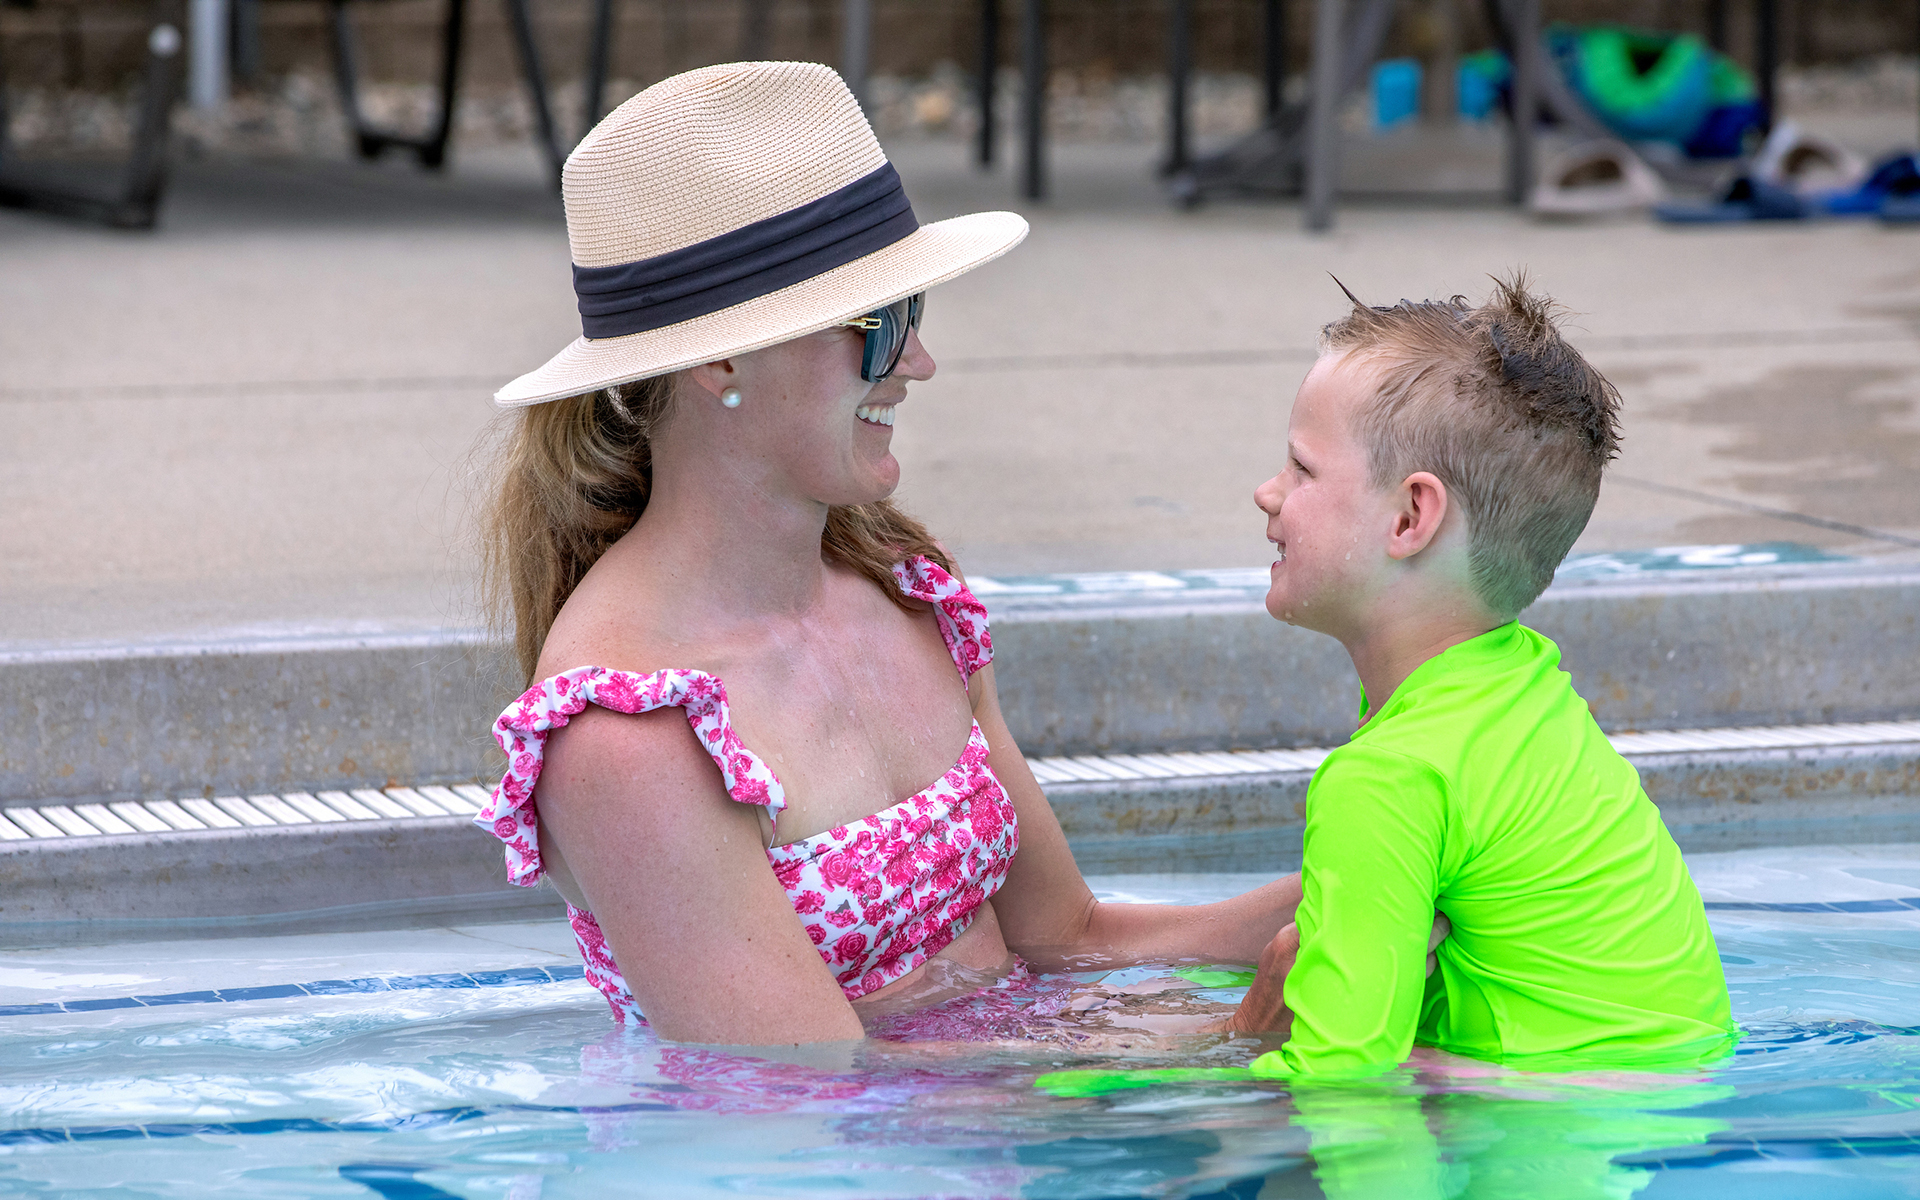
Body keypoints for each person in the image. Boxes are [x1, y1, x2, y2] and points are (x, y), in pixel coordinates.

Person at [474, 61, 1304, 1044]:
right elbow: (807, 1093)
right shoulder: (629, 738)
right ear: (721, 358)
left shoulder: (905, 588)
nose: (918, 361)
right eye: (880, 325)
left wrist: (1348, 897)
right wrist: (1235, 1040)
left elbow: (1068, 938)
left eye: (916, 311)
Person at [1221, 277, 1736, 1073]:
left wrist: (1240, 1038)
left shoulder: (1390, 776)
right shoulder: (1516, 685)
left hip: (1543, 1132)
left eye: (1300, 469)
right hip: (1665, 1098)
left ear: (1409, 517)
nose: (1268, 492)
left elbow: (1342, 1093)